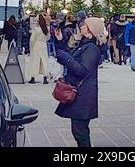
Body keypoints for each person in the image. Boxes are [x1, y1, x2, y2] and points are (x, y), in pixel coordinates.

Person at [55, 17, 106, 147]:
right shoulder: (84, 44)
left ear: (90, 29)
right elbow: (69, 56)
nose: (81, 27)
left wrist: (67, 59)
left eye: (84, 25)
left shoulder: (91, 48)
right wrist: (60, 41)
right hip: (81, 94)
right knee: (78, 131)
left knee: (80, 132)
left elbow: (82, 70)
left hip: (84, 96)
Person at [28, 14, 50, 84]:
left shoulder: (36, 29)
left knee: (35, 61)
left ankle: (33, 77)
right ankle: (45, 77)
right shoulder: (46, 29)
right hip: (43, 45)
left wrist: (30, 46)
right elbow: (48, 38)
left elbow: (32, 39)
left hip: (36, 45)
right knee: (44, 61)